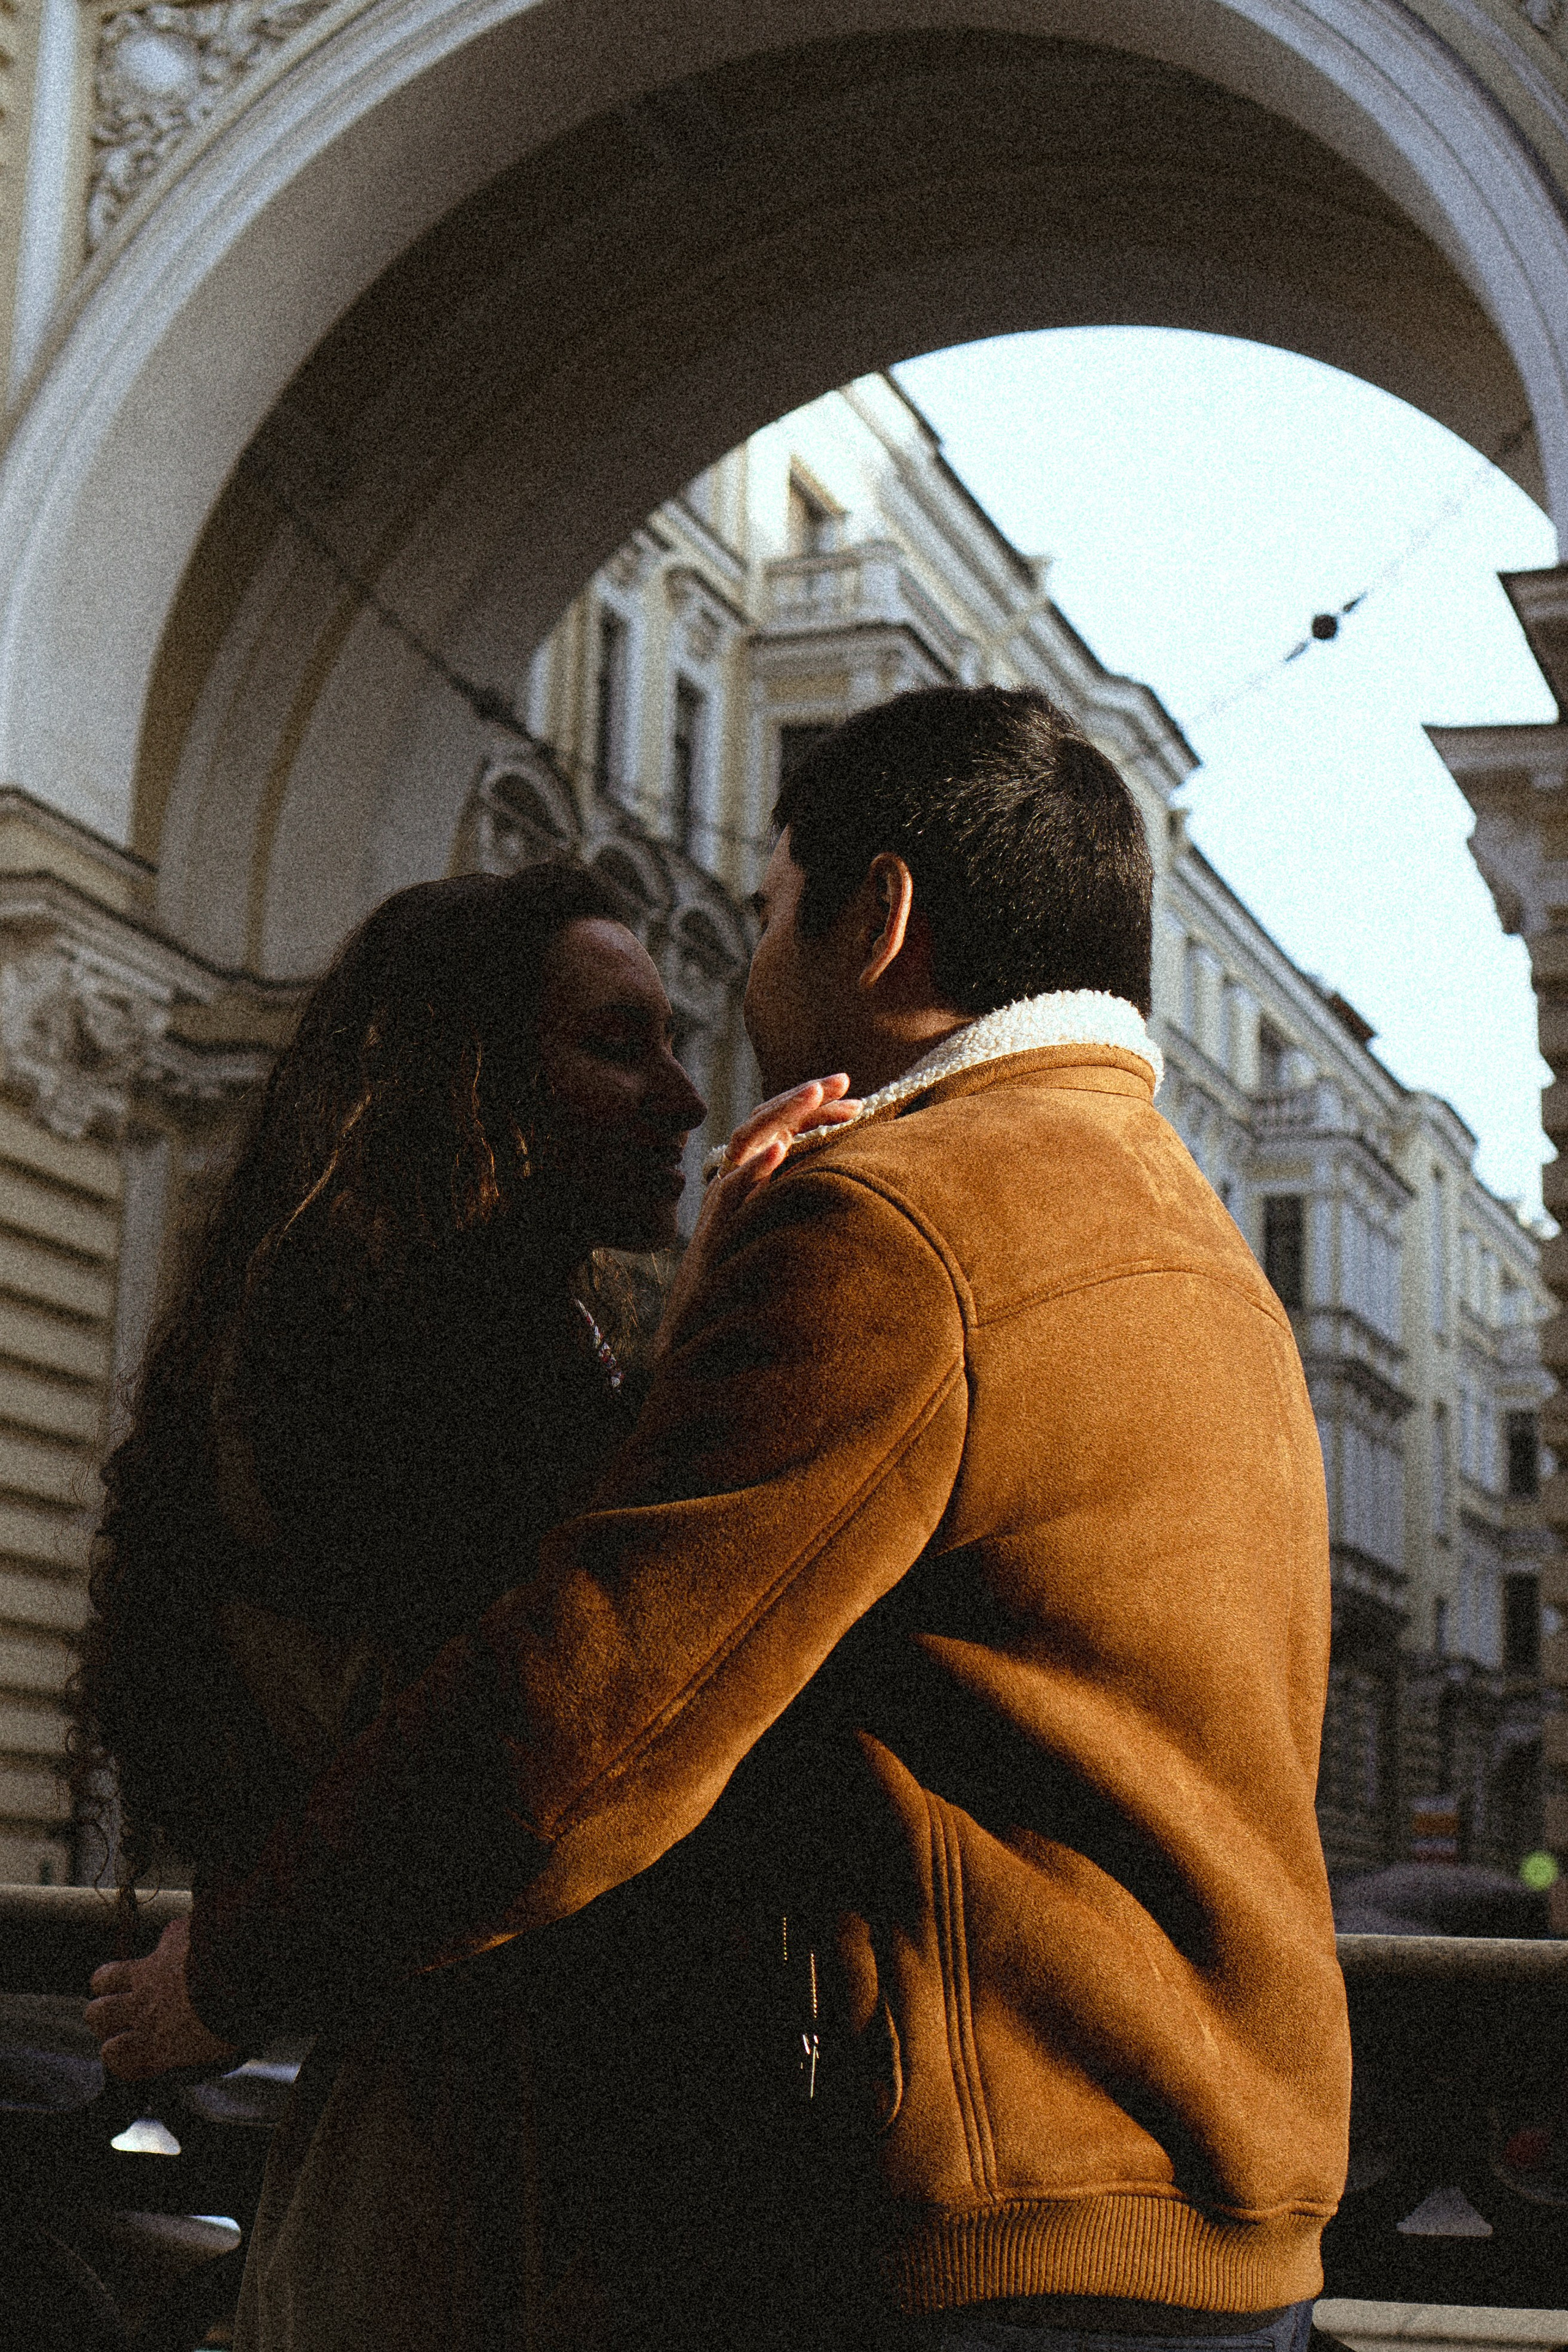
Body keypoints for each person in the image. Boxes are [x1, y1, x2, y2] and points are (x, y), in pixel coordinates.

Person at [89, 685, 1351, 2352]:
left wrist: (228, 1974)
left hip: (976, 2229)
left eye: (760, 919)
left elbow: (588, 1716)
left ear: (879, 919)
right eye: (626, 1042)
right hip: (1214, 2219)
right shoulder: (1209, 1258)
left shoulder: (899, 1225)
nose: (701, 1073)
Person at [76, 859, 851, 2349]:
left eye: (675, 1044)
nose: (686, 1101)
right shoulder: (371, 1365)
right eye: (615, 1046)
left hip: (493, 2156)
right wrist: (703, 1357)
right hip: (489, 2190)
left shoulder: (472, 1339)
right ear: (466, 1078)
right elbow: (521, 1730)